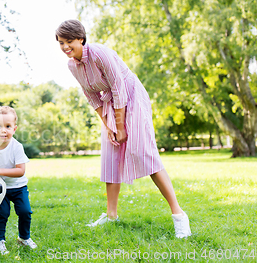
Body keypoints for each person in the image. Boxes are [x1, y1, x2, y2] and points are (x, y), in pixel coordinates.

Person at [55, 19, 191, 239]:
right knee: (111, 156)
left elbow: (119, 88)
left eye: (69, 41)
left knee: (143, 152)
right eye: (61, 42)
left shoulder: (99, 54)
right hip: (112, 103)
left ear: (81, 38)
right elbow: (91, 95)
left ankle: (179, 215)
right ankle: (111, 216)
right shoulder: (72, 65)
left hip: (132, 96)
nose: (65, 47)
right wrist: (108, 125)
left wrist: (121, 126)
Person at [0, 106, 37, 254]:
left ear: (14, 128)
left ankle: (24, 238)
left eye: (8, 126)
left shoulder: (16, 147)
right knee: (2, 213)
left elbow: (20, 171)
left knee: (25, 211)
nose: (3, 130)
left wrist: (0, 171)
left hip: (18, 187)